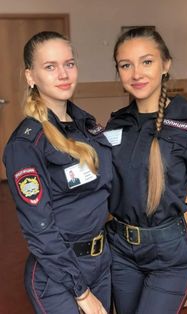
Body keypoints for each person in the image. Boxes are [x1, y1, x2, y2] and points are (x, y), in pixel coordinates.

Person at [105, 27, 187, 314]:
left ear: (165, 64)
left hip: (170, 253)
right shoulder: (115, 125)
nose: (136, 74)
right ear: (118, 72)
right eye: (125, 65)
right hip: (120, 249)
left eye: (147, 61)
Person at [3, 31, 112, 314]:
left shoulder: (87, 126)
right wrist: (81, 291)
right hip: (59, 275)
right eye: (50, 66)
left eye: (69, 63)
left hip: (102, 260)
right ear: (31, 76)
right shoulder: (27, 143)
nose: (63, 74)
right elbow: (40, 230)